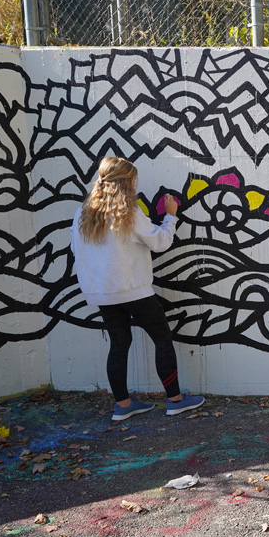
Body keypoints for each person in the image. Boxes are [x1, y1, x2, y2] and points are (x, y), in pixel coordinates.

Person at [70, 157, 205, 421]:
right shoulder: (128, 213)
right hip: (134, 290)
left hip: (102, 292)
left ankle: (123, 405)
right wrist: (170, 216)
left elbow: (77, 249)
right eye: (134, 179)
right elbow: (160, 243)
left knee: (119, 343)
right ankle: (176, 400)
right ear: (128, 182)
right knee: (162, 338)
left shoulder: (82, 214)